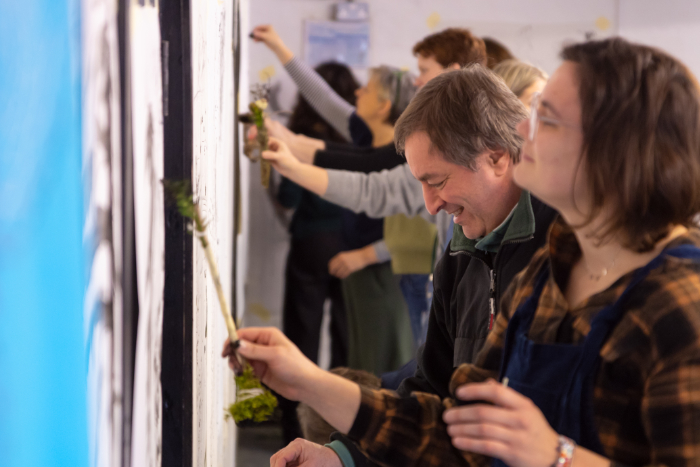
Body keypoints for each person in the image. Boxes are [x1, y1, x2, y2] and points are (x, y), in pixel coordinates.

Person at [228, 38, 700, 467]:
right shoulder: (547, 271)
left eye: (546, 118)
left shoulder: (681, 304)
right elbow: (456, 428)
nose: (522, 128)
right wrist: (306, 382)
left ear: (619, 152)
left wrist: (556, 457)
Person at [228, 63, 555, 465]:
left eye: (436, 182)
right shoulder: (460, 255)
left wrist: (313, 385)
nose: (430, 204)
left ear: (498, 159)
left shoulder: (560, 254)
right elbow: (432, 393)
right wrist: (344, 457)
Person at [277, 62, 359, 397]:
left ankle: (295, 425)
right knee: (347, 340)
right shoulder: (361, 139)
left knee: (301, 338)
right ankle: (339, 427)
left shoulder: (302, 138)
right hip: (354, 247)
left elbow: (288, 197)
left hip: (311, 243)